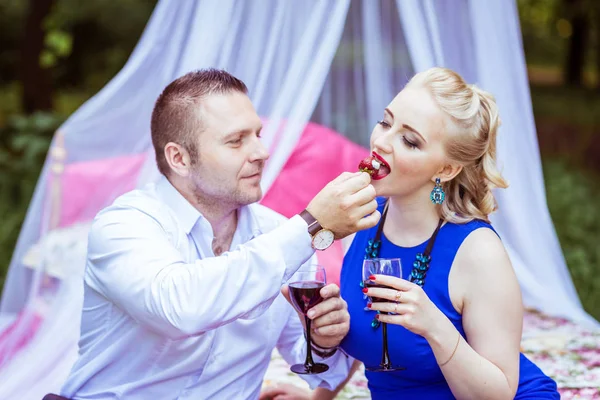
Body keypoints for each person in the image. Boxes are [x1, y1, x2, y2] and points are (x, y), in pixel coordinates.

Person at [57, 69, 381, 400]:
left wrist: (323, 343)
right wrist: (311, 225)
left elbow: (318, 370)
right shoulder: (124, 226)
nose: (262, 152)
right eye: (236, 140)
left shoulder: (280, 234)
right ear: (179, 158)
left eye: (258, 134)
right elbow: (181, 308)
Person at [261, 67, 560, 399]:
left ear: (446, 169)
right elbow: (368, 337)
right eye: (386, 122)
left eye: (409, 140)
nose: (382, 142)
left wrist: (435, 326)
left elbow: (499, 394)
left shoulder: (479, 252)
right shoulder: (364, 224)